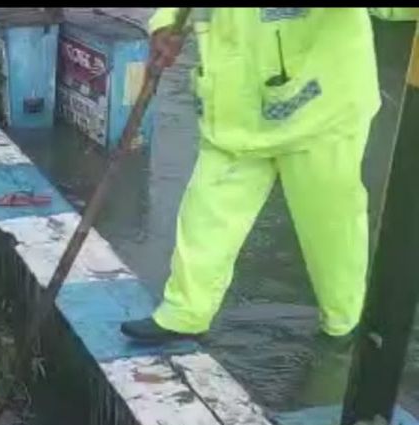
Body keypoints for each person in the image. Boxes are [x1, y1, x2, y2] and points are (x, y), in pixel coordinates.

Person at [121, 7, 419, 345]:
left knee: (330, 227)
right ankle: (185, 312)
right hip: (233, 111)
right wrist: (165, 25)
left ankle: (343, 323)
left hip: (319, 114)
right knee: (205, 215)